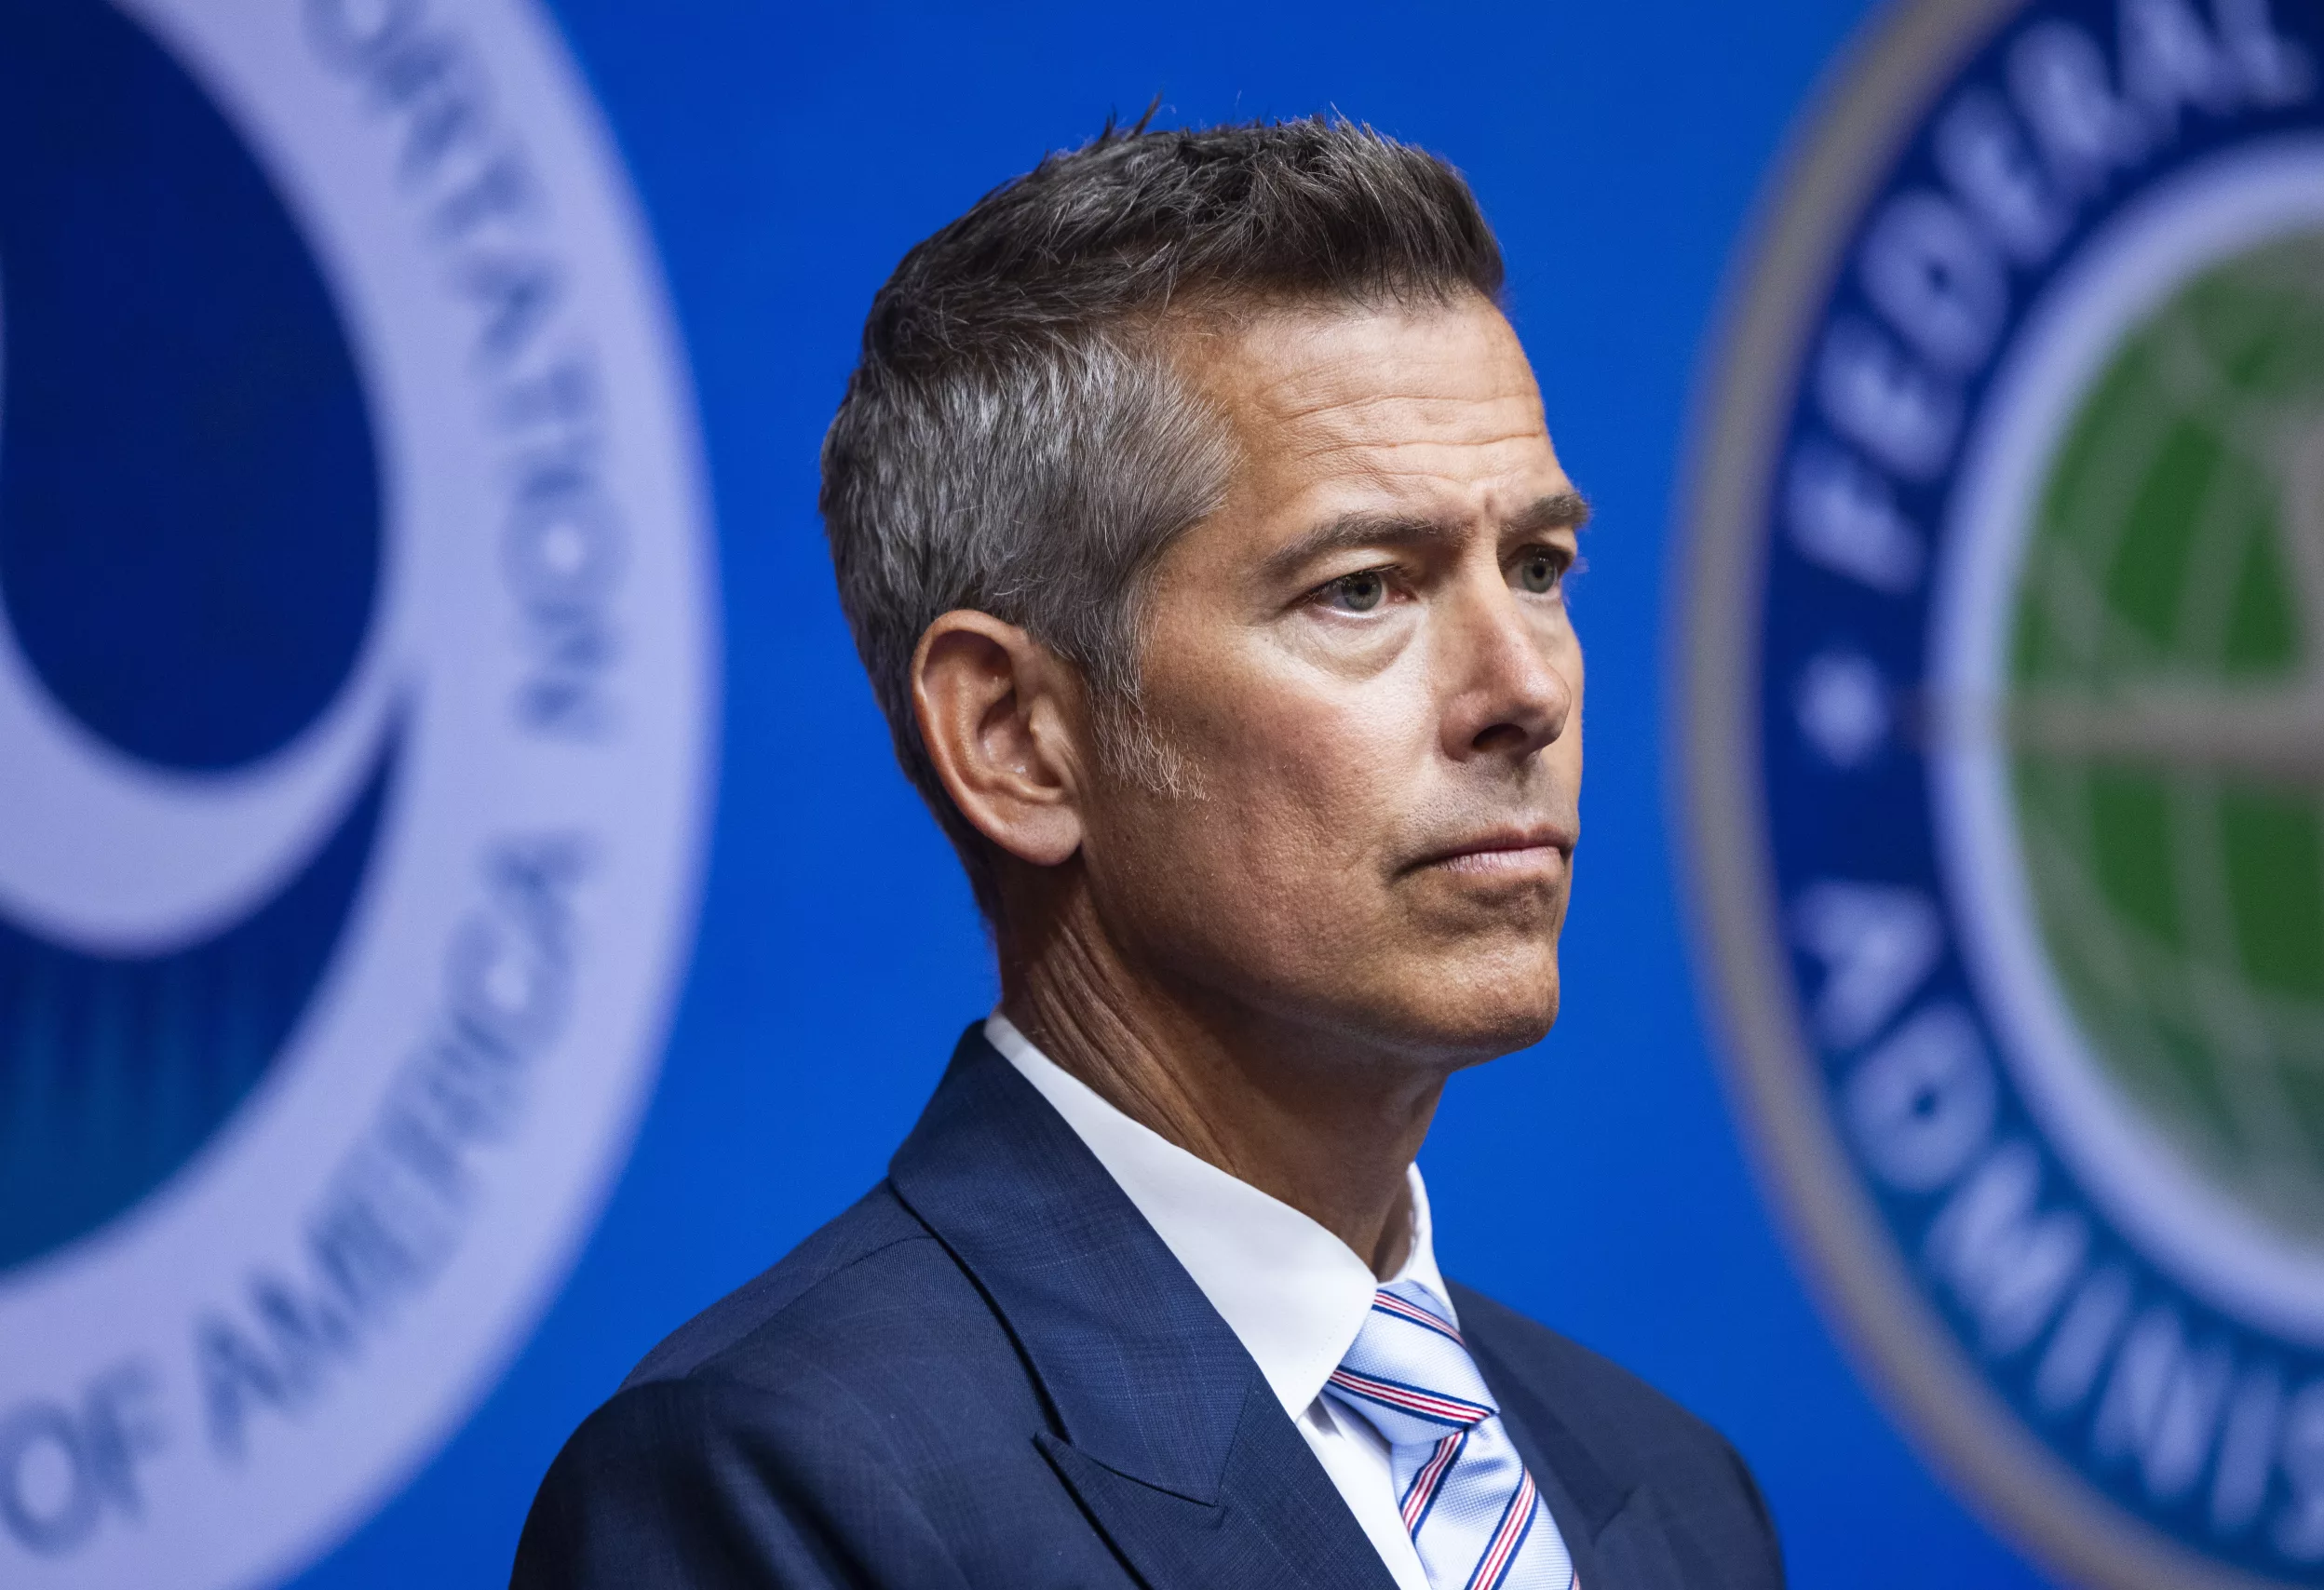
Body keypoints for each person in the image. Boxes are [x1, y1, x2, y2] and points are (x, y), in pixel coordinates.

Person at [513, 117, 1782, 1590]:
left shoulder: (1676, 1493)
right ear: (1016, 739)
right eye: (1364, 588)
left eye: (1539, 567)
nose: (1528, 691)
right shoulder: (774, 1487)